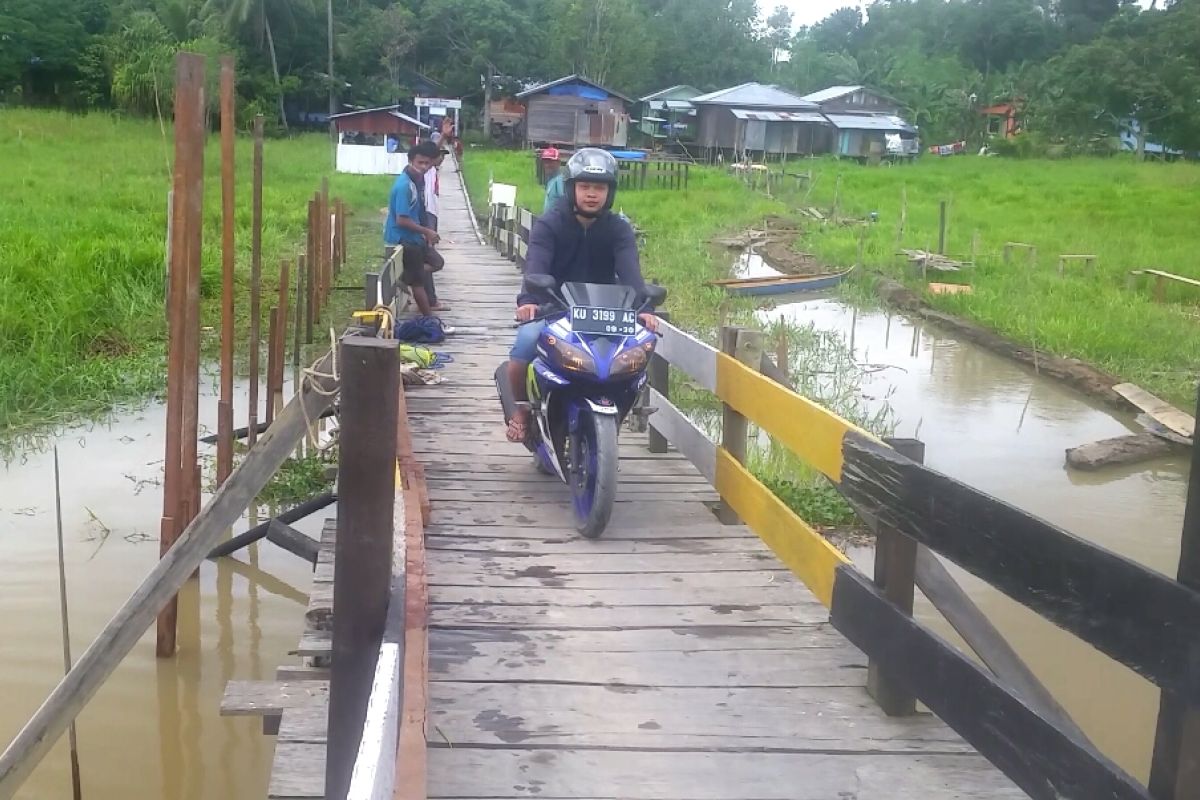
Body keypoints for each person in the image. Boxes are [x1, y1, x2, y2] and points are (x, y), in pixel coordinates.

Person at [505, 147, 659, 443]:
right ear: (571, 188)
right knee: (524, 343)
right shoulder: (551, 223)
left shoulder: (619, 229)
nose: (592, 194)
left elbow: (631, 272)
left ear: (609, 192)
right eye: (585, 186)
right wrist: (528, 302)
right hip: (554, 306)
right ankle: (522, 409)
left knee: (637, 355)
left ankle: (621, 412)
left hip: (606, 313)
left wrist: (644, 307)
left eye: (599, 187)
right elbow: (536, 264)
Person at [383, 141, 444, 318]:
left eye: (427, 163)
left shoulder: (415, 179)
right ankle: (429, 318)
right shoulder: (404, 186)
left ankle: (406, 275)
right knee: (418, 283)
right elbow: (401, 220)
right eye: (420, 163)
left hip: (415, 237)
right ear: (411, 161)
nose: (424, 167)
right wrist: (427, 231)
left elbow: (434, 159)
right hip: (404, 238)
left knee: (437, 263)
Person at [421, 148, 451, 311]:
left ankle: (427, 297)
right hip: (427, 216)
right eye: (439, 155)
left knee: (427, 257)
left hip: (431, 215)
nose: (442, 158)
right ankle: (429, 300)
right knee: (430, 258)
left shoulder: (432, 170)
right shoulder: (426, 169)